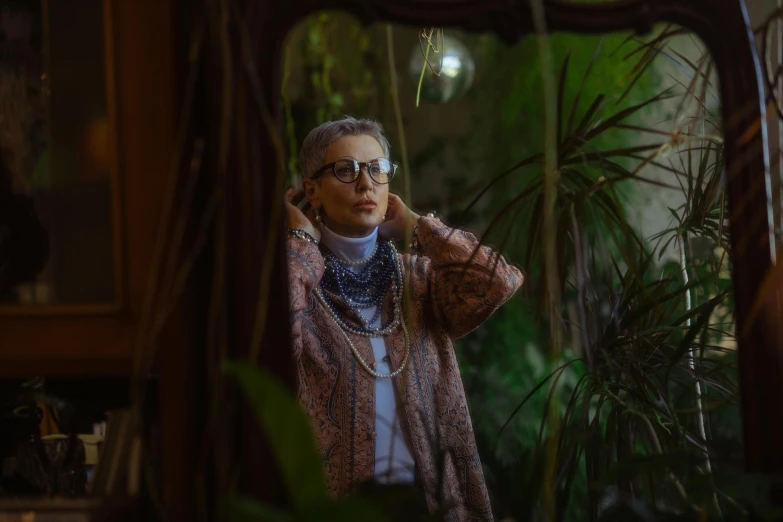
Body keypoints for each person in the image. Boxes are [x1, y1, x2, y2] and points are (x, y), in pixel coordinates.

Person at [285, 117, 523, 521]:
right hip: (338, 507)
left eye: (377, 169)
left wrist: (419, 227)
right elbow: (275, 339)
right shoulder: (300, 277)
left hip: (433, 503)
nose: (366, 184)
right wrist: (302, 242)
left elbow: (498, 282)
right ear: (312, 190)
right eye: (347, 170)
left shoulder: (419, 278)